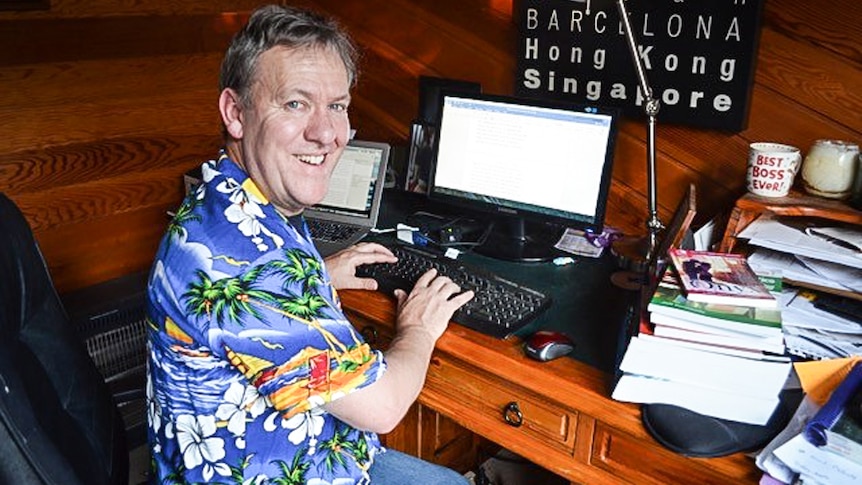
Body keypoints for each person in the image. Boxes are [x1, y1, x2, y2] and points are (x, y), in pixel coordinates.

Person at [145, 5, 474, 484]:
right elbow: (382, 410)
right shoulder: (249, 265)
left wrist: (317, 272)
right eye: (295, 104)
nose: (326, 133)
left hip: (293, 447)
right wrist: (419, 329)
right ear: (235, 113)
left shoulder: (231, 202)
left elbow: (260, 286)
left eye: (337, 105)